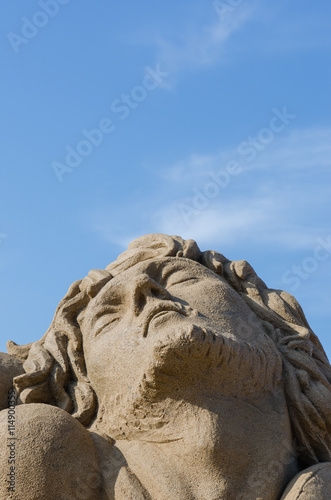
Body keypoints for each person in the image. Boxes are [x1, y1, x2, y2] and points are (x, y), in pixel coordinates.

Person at [1, 233, 331, 499]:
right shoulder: (41, 454)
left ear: (270, 325)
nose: (143, 289)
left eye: (179, 278)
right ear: (82, 384)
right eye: (109, 315)